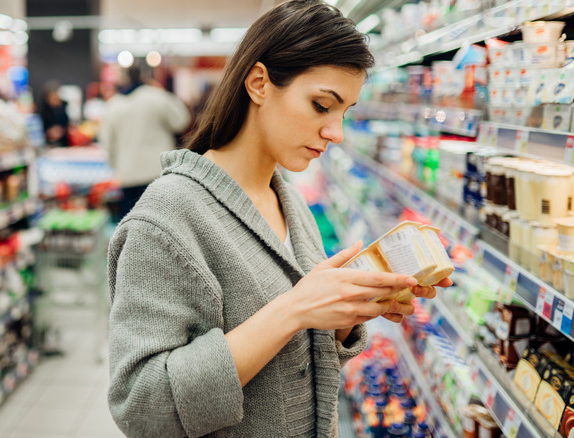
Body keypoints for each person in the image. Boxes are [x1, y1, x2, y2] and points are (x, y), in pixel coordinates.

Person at [106, 1, 452, 437]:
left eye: (344, 113)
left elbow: (292, 367)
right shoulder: (166, 219)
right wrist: (295, 309)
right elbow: (142, 407)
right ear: (258, 83)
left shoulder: (289, 203)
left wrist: (345, 315)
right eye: (321, 105)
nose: (336, 132)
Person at [100, 63, 191, 221]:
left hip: (128, 175)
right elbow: (182, 120)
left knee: (131, 226)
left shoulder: (114, 105)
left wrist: (116, 167)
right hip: (158, 172)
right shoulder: (157, 97)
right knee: (162, 225)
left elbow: (107, 142)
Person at [39, 80, 70, 146]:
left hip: (64, 144)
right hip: (48, 144)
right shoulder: (43, 112)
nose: (56, 100)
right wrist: (48, 133)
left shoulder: (64, 108)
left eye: (56, 97)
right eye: (53, 98)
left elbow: (68, 125)